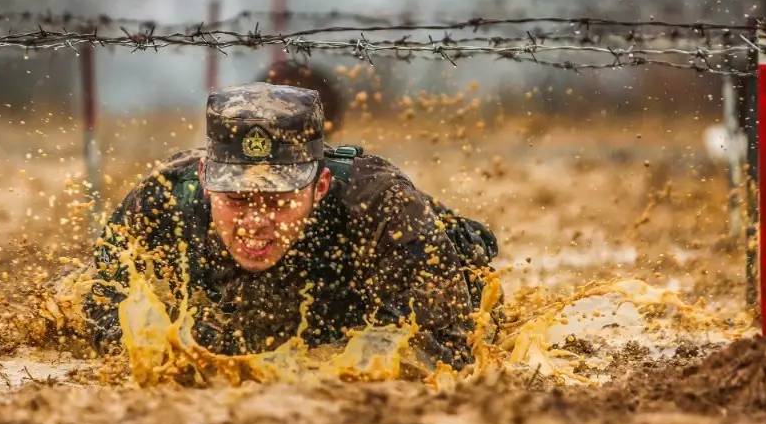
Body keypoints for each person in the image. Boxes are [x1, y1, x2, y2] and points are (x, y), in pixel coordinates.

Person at [84, 82, 497, 369]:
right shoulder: (161, 199)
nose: (256, 223)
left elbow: (446, 343)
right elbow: (101, 310)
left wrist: (316, 368)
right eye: (237, 199)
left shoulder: (381, 205)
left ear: (319, 186)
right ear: (206, 179)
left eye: (279, 201)